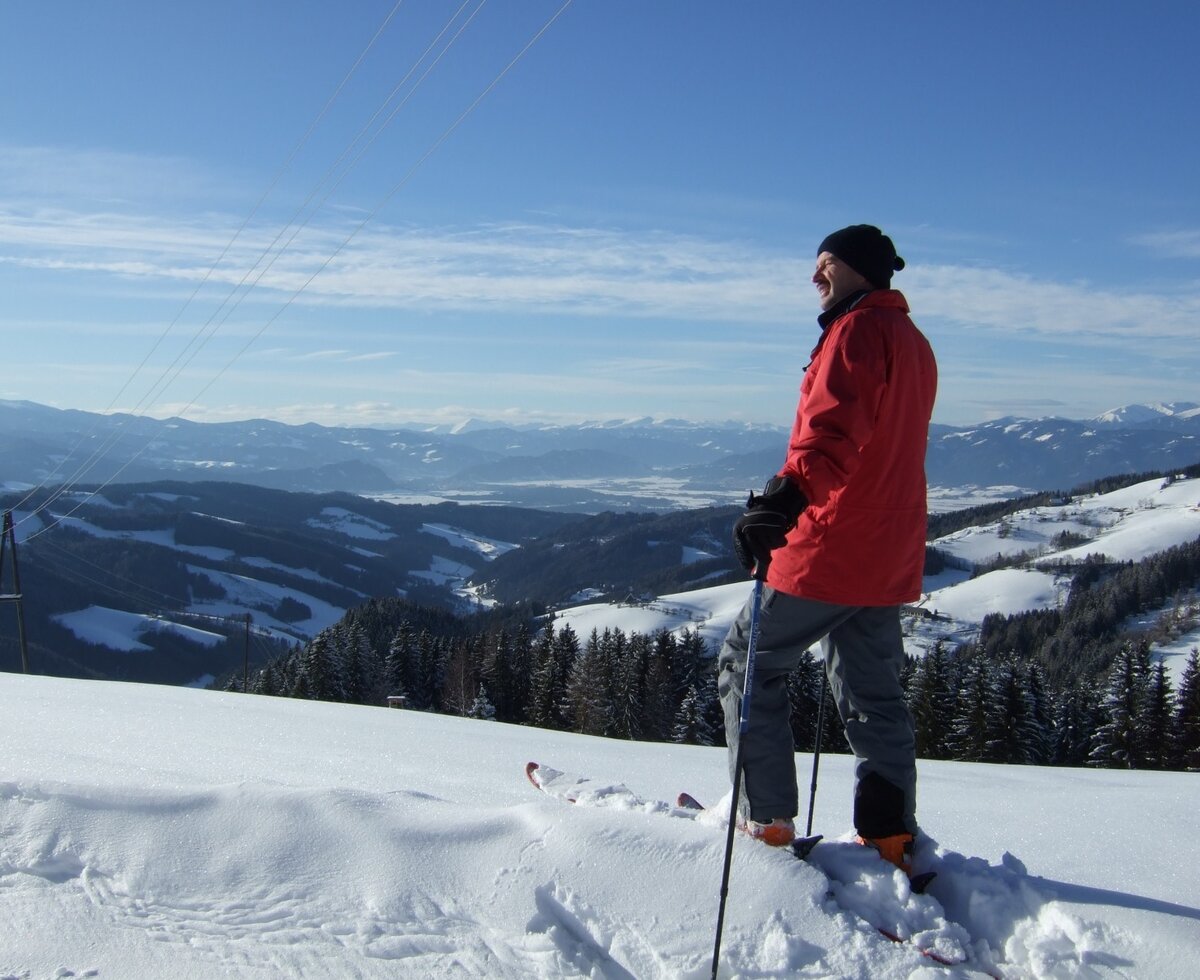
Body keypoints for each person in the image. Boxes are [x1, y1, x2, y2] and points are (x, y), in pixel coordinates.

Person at [717, 224, 937, 874]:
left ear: (859, 269)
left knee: (746, 664)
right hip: (885, 553)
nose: (816, 276)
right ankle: (890, 836)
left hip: (831, 546)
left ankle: (766, 822)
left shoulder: (856, 331)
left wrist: (786, 498)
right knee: (873, 693)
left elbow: (834, 433)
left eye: (827, 264)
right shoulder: (912, 340)